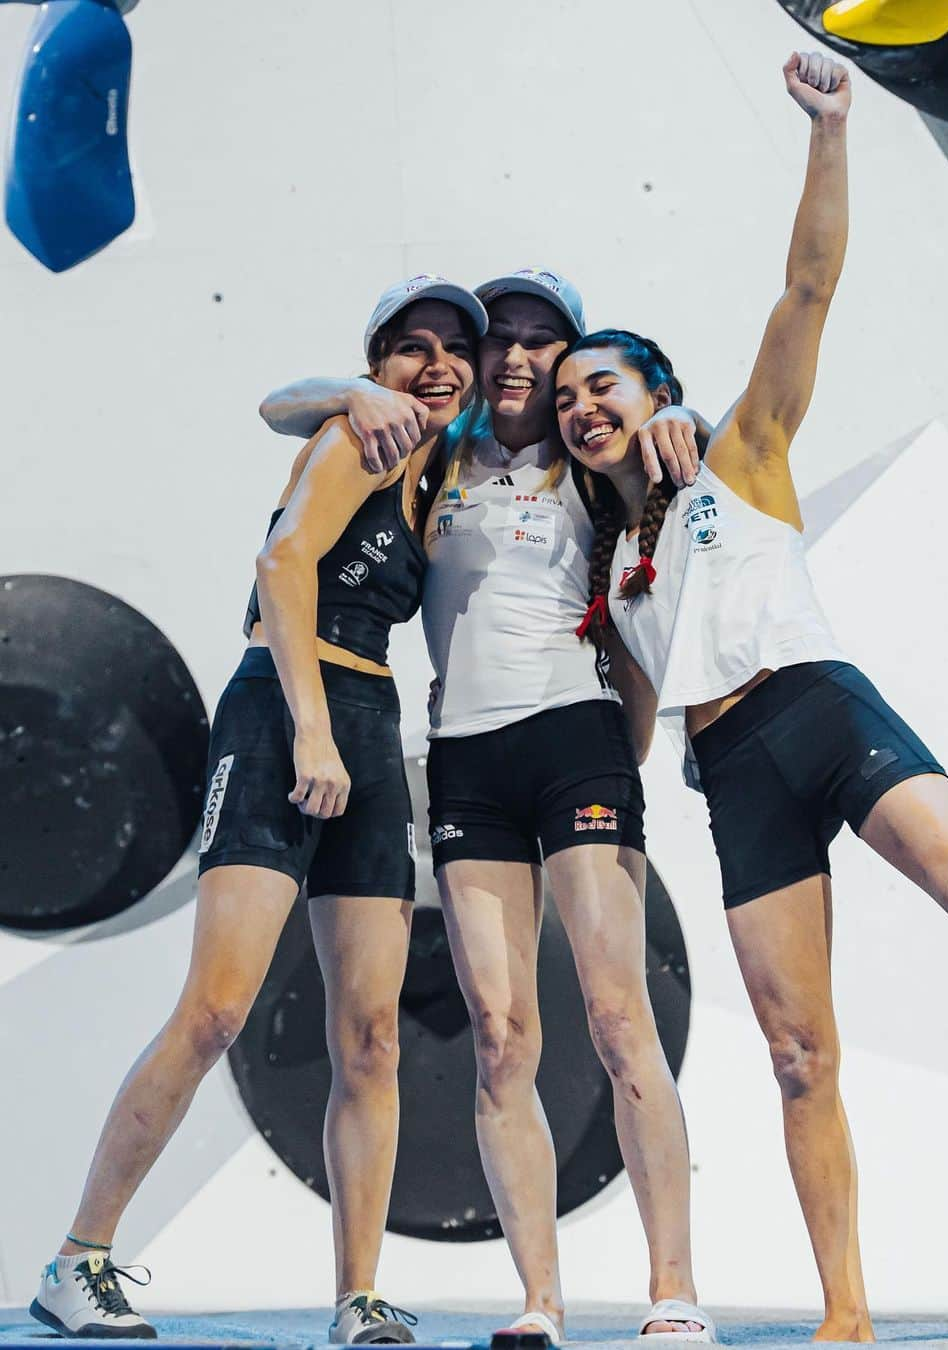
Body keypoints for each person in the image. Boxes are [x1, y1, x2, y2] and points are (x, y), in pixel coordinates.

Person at [552, 51, 948, 1344]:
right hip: (733, 779)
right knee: (801, 1057)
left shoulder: (740, 448)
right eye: (564, 397)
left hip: (824, 713)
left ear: (655, 394)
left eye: (601, 384)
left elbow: (809, 283)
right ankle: (847, 1313)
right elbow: (626, 732)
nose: (579, 406)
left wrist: (832, 131)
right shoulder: (609, 574)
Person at [31, 275, 487, 1344]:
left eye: (452, 347)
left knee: (370, 1034)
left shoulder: (436, 465)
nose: (436, 363)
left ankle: (357, 1297)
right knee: (217, 1009)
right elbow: (283, 561)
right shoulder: (357, 436)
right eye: (410, 346)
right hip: (287, 712)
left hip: (370, 722)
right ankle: (76, 1259)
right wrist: (313, 729)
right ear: (378, 363)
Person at [259, 271, 714, 1344]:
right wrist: (352, 389)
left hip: (576, 748)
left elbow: (695, 440)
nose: (512, 354)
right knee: (505, 1038)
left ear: (568, 356)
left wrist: (684, 412)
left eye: (538, 338)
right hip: (464, 763)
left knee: (615, 1020)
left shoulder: (595, 460)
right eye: (498, 334)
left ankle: (674, 1295)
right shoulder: (436, 449)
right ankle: (539, 1304)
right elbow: (283, 407)